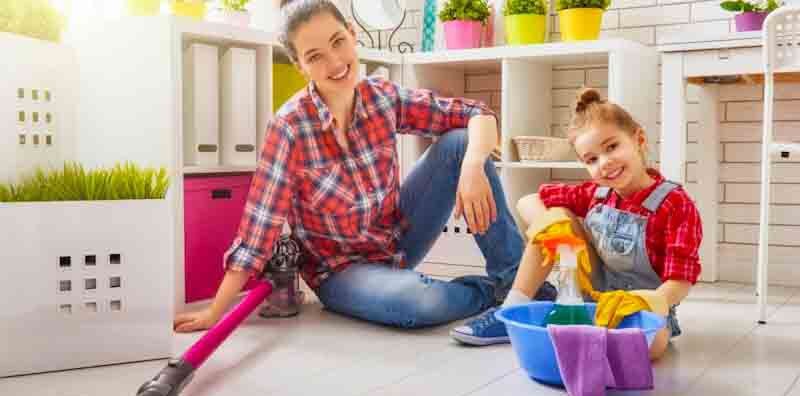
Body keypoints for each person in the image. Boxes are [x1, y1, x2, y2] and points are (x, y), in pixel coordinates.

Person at [174, 0, 555, 333]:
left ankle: (521, 287)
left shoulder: (382, 96)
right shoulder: (290, 127)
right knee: (415, 303)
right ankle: (498, 293)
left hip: (397, 240)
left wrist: (473, 165)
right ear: (300, 65)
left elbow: (477, 114)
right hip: (340, 272)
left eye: (338, 42)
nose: (335, 62)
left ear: (353, 35)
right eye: (315, 56)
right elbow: (259, 229)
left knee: (459, 142)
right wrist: (214, 312)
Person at [450, 88, 703, 360]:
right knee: (555, 219)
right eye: (592, 160)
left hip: (644, 308)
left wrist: (643, 302)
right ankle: (510, 310)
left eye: (612, 147)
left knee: (652, 344)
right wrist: (554, 228)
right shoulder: (597, 194)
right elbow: (528, 201)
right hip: (589, 297)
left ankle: (590, 337)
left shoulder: (675, 205)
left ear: (638, 139)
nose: (605, 163)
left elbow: (680, 281)